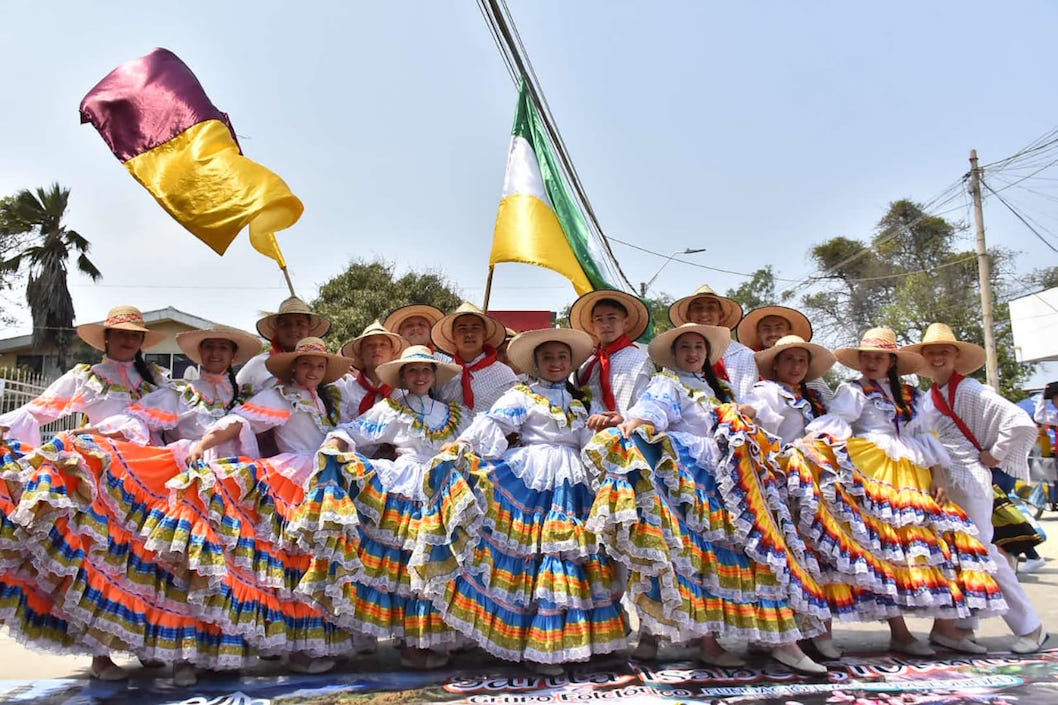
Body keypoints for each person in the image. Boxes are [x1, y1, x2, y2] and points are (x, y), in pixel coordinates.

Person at [585, 322, 829, 674]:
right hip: (689, 482)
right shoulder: (668, 383)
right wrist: (635, 422)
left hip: (728, 481)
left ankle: (780, 641)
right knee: (694, 561)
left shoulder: (722, 390)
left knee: (751, 556)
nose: (693, 353)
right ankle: (706, 644)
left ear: (707, 353)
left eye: (699, 347)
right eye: (685, 348)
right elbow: (654, 409)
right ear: (674, 354)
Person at [417, 328, 626, 675]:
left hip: (576, 483)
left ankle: (578, 642)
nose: (556, 363)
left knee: (578, 558)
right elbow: (493, 423)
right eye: (548, 358)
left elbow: (592, 439)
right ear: (536, 363)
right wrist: (461, 446)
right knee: (534, 560)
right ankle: (539, 647)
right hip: (534, 477)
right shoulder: (523, 394)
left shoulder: (582, 400)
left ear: (571, 362)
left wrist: (607, 424)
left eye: (562, 357)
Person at [808, 328, 1007, 655]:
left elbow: (928, 436)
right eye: (867, 357)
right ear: (859, 362)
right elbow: (837, 423)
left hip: (916, 473)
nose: (872, 363)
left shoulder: (912, 394)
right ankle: (900, 632)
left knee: (935, 545)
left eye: (879, 357)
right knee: (888, 549)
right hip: (875, 473)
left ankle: (945, 629)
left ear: (892, 361)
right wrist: (818, 450)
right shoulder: (853, 390)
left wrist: (939, 475)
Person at [187, 337, 359, 675]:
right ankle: (294, 648)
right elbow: (241, 421)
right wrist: (203, 444)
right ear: (293, 367)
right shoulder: (280, 396)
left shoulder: (328, 402)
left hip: (327, 480)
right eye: (306, 364)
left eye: (319, 365)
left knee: (320, 562)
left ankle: (315, 642)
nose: (313, 370)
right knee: (293, 563)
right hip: (294, 481)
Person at [317, 346, 469, 669]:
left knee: (436, 565)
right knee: (407, 565)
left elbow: (475, 437)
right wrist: (336, 444)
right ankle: (410, 644)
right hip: (407, 486)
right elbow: (353, 430)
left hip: (442, 486)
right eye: (412, 371)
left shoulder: (453, 413)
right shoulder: (391, 410)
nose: (419, 377)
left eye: (425, 370)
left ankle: (431, 637)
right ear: (401, 377)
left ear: (434, 375)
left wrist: (458, 446)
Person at [908, 323, 1048, 654]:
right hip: (945, 482)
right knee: (958, 556)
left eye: (944, 351)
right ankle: (959, 627)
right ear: (924, 358)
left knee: (984, 553)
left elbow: (1019, 421)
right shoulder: (930, 397)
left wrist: (995, 454)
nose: (937, 357)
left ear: (956, 355)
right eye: (931, 351)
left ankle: (1031, 625)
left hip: (969, 478)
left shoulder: (971, 390)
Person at [0, 305, 170, 448]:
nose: (129, 340)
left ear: (141, 341)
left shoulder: (156, 378)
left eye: (135, 336)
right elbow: (39, 409)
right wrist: (3, 425)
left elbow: (175, 418)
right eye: (121, 333)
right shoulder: (87, 377)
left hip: (149, 457)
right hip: (98, 452)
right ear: (107, 337)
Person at [569, 289, 654, 431]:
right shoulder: (586, 364)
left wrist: (624, 419)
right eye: (599, 320)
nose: (605, 325)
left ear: (625, 323)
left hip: (626, 435)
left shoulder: (639, 360)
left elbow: (647, 406)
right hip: (587, 435)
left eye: (612, 318)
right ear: (592, 326)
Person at [669, 284, 757, 400]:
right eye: (697, 308)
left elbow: (749, 400)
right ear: (688, 315)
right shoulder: (674, 355)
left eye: (711, 308)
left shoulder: (744, 355)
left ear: (721, 315)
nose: (704, 314)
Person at [433, 302, 518, 414]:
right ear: (453, 335)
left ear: (484, 334)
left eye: (475, 328)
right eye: (462, 329)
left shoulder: (505, 375)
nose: (469, 334)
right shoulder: (444, 375)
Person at [235, 296, 329, 395]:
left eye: (300, 324)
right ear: (277, 330)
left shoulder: (324, 364)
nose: (293, 329)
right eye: (286, 324)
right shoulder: (258, 364)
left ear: (309, 330)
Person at [335, 320, 407, 420]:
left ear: (392, 352)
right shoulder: (347, 390)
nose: (377, 349)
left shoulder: (403, 392)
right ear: (361, 353)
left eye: (383, 344)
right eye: (370, 345)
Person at [384, 303, 453, 363]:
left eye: (421, 324)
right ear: (400, 332)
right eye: (409, 325)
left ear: (430, 331)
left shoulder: (447, 362)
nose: (416, 328)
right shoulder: (389, 364)